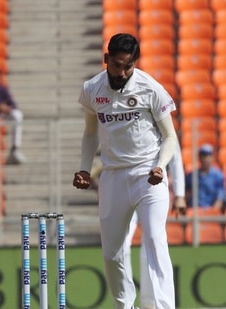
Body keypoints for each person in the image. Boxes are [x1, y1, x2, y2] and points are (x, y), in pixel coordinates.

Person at [73, 33, 181, 309]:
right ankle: (124, 305)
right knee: (111, 254)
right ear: (106, 59)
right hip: (113, 176)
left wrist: (160, 165)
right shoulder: (92, 89)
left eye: (128, 66)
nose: (122, 73)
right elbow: (89, 133)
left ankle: (163, 306)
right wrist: (85, 169)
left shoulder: (150, 88)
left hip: (148, 175)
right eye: (117, 65)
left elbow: (170, 137)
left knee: (155, 239)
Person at [125, 141, 186, 309]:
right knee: (121, 243)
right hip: (126, 188)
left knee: (152, 241)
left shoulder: (161, 118)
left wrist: (180, 194)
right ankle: (126, 302)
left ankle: (151, 303)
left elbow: (175, 158)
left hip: (152, 191)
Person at [185, 144, 225, 210]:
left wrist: (212, 212)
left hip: (210, 210)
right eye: (203, 155)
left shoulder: (218, 176)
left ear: (212, 157)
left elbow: (220, 198)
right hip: (194, 211)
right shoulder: (191, 175)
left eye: (208, 155)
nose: (205, 158)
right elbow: (186, 193)